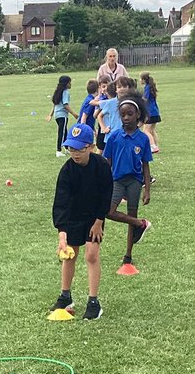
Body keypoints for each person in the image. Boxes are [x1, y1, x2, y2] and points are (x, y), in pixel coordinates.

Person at [50, 123, 113, 321]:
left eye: (79, 149)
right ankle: (65, 296)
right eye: (71, 149)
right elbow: (61, 202)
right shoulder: (67, 171)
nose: (75, 154)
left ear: (91, 147)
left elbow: (106, 195)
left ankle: (94, 302)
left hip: (94, 217)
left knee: (92, 255)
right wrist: (62, 234)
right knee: (69, 255)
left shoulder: (101, 166)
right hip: (73, 218)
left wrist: (99, 221)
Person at [103, 93, 153, 274]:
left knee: (132, 212)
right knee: (108, 211)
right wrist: (102, 182)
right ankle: (140, 223)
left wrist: (147, 190)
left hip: (134, 182)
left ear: (137, 115)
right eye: (123, 114)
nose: (126, 118)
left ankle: (128, 255)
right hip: (117, 180)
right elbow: (106, 162)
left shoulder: (143, 139)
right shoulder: (114, 137)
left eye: (129, 114)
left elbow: (146, 165)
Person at [51, 75, 76, 157]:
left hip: (57, 115)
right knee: (62, 132)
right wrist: (74, 114)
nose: (70, 84)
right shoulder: (65, 92)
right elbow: (65, 105)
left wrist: (51, 114)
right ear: (66, 84)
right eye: (69, 82)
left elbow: (55, 105)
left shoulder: (58, 92)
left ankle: (66, 148)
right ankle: (58, 150)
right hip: (62, 115)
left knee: (65, 132)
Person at [140, 71, 161, 152]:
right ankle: (156, 146)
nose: (140, 81)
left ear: (143, 80)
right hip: (156, 112)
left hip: (150, 113)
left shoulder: (147, 88)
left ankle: (153, 146)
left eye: (140, 79)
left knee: (146, 131)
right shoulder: (151, 87)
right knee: (152, 130)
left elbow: (145, 99)